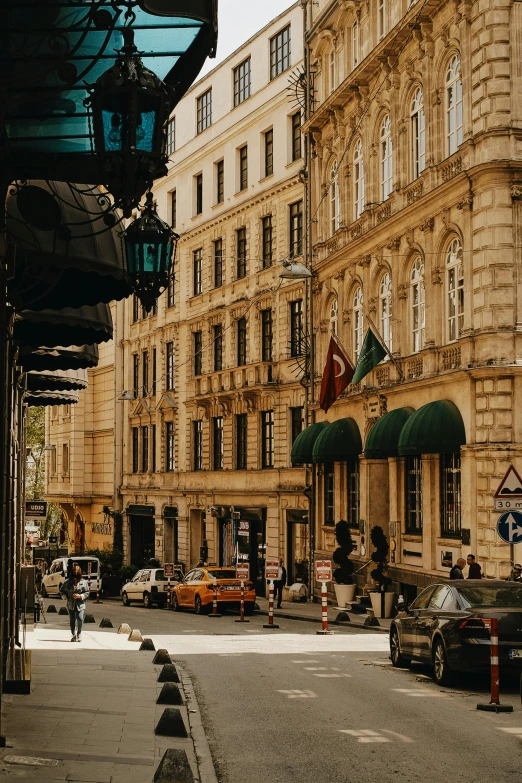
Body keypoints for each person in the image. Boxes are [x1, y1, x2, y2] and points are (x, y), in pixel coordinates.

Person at [60, 565, 89, 642]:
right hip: (71, 603)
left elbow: (87, 592)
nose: (75, 578)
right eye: (74, 575)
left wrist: (80, 596)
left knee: (80, 618)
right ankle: (73, 634)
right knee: (72, 620)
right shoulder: (67, 582)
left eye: (77, 574)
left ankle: (79, 633)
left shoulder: (83, 582)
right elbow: (62, 590)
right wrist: (64, 596)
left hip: (80, 604)